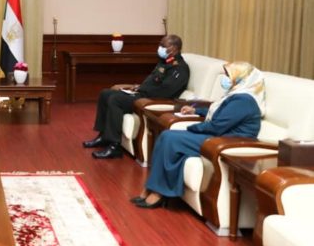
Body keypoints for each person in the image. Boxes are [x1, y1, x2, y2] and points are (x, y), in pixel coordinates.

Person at [132, 61, 265, 208]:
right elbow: (219, 113)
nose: (225, 78)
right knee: (166, 137)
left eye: (228, 75)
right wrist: (196, 111)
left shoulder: (244, 100)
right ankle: (153, 187)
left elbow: (217, 126)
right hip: (219, 136)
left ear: (240, 77)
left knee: (169, 138)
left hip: (226, 141)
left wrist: (192, 128)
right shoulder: (237, 94)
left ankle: (158, 192)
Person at [83, 34, 190, 159]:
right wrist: (138, 87)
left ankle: (114, 146)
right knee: (105, 93)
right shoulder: (164, 62)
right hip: (142, 94)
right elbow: (153, 81)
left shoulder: (180, 68)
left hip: (151, 100)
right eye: (160, 44)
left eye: (163, 45)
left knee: (115, 99)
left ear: (173, 48)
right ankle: (104, 136)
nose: (160, 48)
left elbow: (165, 92)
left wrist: (142, 90)